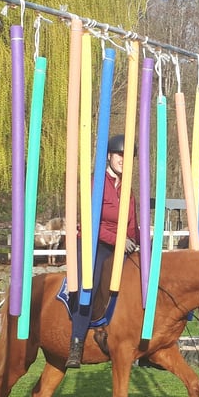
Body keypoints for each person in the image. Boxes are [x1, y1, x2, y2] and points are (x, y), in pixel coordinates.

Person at [66, 134, 140, 369]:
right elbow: (91, 223)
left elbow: (132, 226)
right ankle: (77, 343)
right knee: (91, 282)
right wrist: (120, 240)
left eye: (128, 157)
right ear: (109, 156)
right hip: (93, 242)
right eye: (120, 155)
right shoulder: (95, 183)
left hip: (119, 246)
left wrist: (137, 244)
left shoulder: (128, 191)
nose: (123, 160)